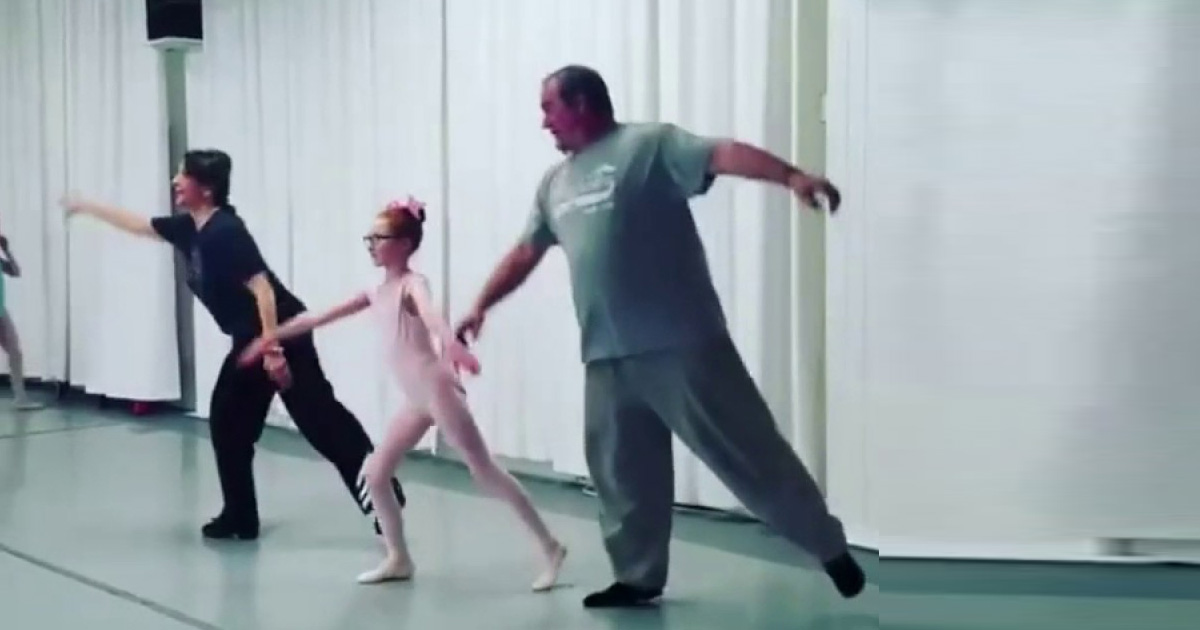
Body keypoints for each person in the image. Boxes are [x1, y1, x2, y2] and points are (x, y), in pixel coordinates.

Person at [454, 65, 866, 608]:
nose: (543, 122)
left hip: (682, 342)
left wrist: (792, 177)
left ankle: (827, 545)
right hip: (605, 354)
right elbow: (525, 251)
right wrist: (481, 303)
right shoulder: (555, 183)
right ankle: (638, 575)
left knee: (748, 452)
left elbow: (721, 153)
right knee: (622, 471)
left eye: (549, 108)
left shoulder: (648, 145)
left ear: (581, 103)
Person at [60, 149, 406, 541]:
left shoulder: (226, 232)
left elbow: (263, 291)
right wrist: (86, 206)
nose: (176, 181)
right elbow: (140, 227)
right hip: (250, 340)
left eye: (183, 175)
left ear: (205, 189)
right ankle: (240, 517)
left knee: (319, 420)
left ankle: (382, 495)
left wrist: (273, 351)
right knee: (228, 422)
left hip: (280, 333)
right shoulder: (191, 227)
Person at [239, 197, 568, 590]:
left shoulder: (413, 285)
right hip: (416, 398)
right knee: (375, 474)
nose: (373, 245)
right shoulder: (375, 291)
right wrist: (271, 335)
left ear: (405, 244)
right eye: (371, 238)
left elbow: (432, 316)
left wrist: (452, 345)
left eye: (380, 237)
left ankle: (550, 547)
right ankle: (399, 557)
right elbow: (316, 317)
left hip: (437, 388)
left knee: (483, 470)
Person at [0, 234, 45, 411]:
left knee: (15, 353)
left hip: (2, 313)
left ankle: (20, 398)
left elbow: (16, 272)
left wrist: (7, 251)